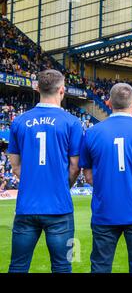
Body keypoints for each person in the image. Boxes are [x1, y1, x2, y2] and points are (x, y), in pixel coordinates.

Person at [7, 69, 83, 273]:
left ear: (37, 88)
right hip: (59, 208)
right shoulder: (72, 122)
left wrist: (32, 181)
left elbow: (14, 165)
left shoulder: (19, 121)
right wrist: (60, 184)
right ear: (62, 90)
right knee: (62, 265)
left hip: (26, 207)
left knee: (18, 265)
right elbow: (75, 167)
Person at [79, 83, 132, 273]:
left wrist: (104, 187)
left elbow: (87, 174)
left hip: (104, 211)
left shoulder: (91, 132)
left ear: (108, 103)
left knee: (100, 267)